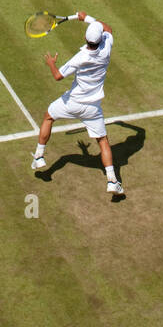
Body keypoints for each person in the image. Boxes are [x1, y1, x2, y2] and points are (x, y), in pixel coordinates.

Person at [31, 11, 124, 196]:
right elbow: (108, 28)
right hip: (92, 108)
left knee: (48, 117)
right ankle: (112, 181)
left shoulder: (79, 58)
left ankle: (39, 156)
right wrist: (87, 18)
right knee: (103, 141)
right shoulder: (106, 48)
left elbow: (58, 76)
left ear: (85, 38)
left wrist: (51, 63)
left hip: (71, 103)